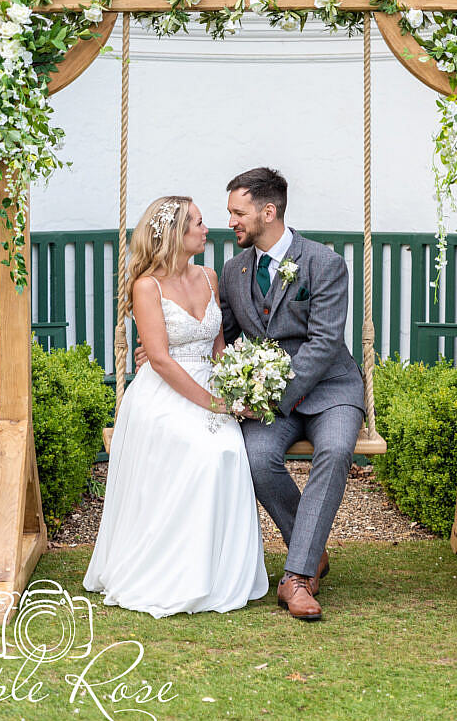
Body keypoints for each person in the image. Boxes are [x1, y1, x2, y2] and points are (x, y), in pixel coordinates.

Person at [138, 168, 366, 623]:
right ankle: (311, 548)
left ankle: (297, 577)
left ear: (269, 211)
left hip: (330, 390)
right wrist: (163, 347)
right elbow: (223, 335)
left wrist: (272, 396)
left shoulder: (324, 262)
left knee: (337, 450)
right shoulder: (233, 270)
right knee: (255, 458)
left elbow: (323, 344)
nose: (231, 222)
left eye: (238, 213)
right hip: (268, 399)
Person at [83, 195, 268, 617]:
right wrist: (213, 403)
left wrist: (240, 388)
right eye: (199, 224)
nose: (208, 230)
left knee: (229, 451)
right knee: (201, 452)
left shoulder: (208, 276)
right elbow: (160, 358)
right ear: (175, 234)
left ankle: (218, 571)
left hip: (211, 383)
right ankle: (175, 569)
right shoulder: (146, 286)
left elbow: (218, 345)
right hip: (164, 392)